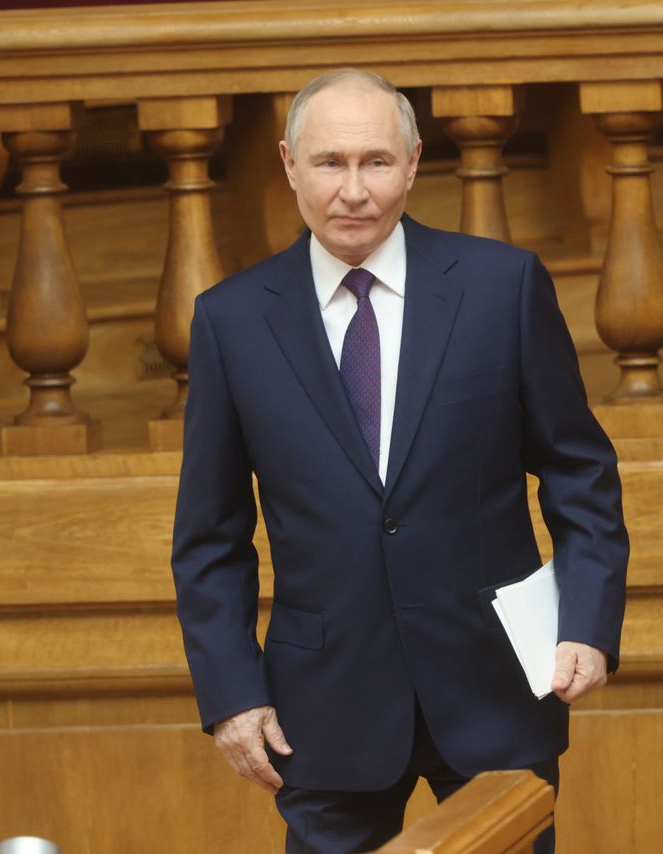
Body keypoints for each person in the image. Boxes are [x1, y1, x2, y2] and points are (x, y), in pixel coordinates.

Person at [170, 68, 629, 854]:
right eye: (330, 163)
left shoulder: (501, 288)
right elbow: (210, 536)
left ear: (414, 164)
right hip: (323, 707)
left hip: (495, 687)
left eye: (377, 162)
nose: (354, 190)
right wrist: (231, 694)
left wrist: (587, 622)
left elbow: (578, 470)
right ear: (288, 163)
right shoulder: (230, 322)